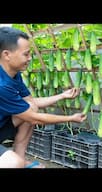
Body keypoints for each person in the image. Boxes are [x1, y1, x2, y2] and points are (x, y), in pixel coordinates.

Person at [0, 26, 87, 168]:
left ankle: (21, 158)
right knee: (13, 163)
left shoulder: (13, 73)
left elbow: (32, 103)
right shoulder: (1, 85)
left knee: (30, 107)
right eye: (26, 54)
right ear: (7, 54)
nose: (30, 58)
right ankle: (17, 162)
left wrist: (62, 96)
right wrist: (71, 119)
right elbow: (34, 118)